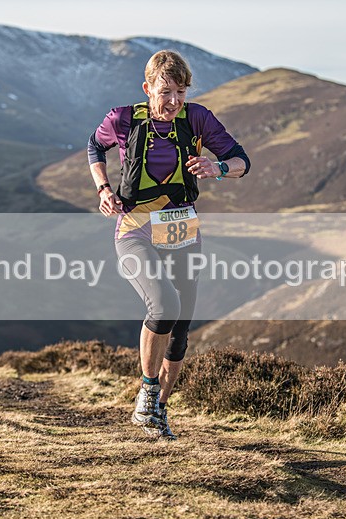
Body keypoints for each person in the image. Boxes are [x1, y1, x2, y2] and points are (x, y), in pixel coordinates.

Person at [88, 50, 250, 440]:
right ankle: (147, 393)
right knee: (163, 304)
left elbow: (242, 160)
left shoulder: (197, 119)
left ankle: (157, 410)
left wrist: (219, 168)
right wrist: (104, 188)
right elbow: (94, 147)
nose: (174, 100)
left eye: (180, 91)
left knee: (180, 327)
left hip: (182, 230)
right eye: (165, 92)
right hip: (135, 228)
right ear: (148, 89)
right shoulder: (123, 119)